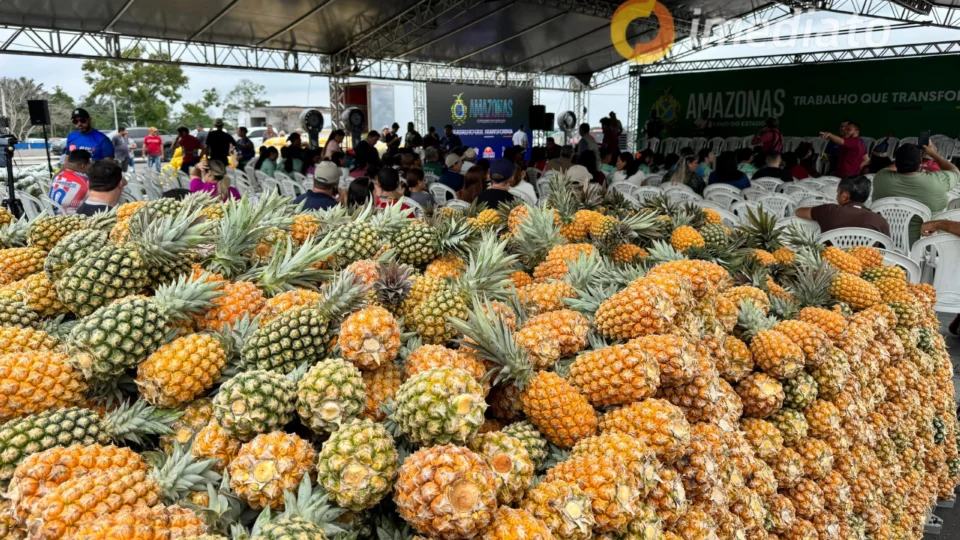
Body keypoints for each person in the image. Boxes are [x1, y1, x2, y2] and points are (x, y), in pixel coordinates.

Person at [873, 141, 960, 245]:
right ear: (920, 163)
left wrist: (908, 159)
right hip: (925, 248)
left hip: (887, 244)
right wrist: (933, 154)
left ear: (896, 163)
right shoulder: (937, 181)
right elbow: (955, 171)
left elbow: (891, 168)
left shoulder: (880, 177)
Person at [796, 175, 890, 235]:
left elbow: (799, 212)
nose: (836, 196)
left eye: (837, 193)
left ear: (844, 196)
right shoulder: (880, 221)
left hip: (830, 263)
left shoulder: (828, 211)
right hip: (865, 266)